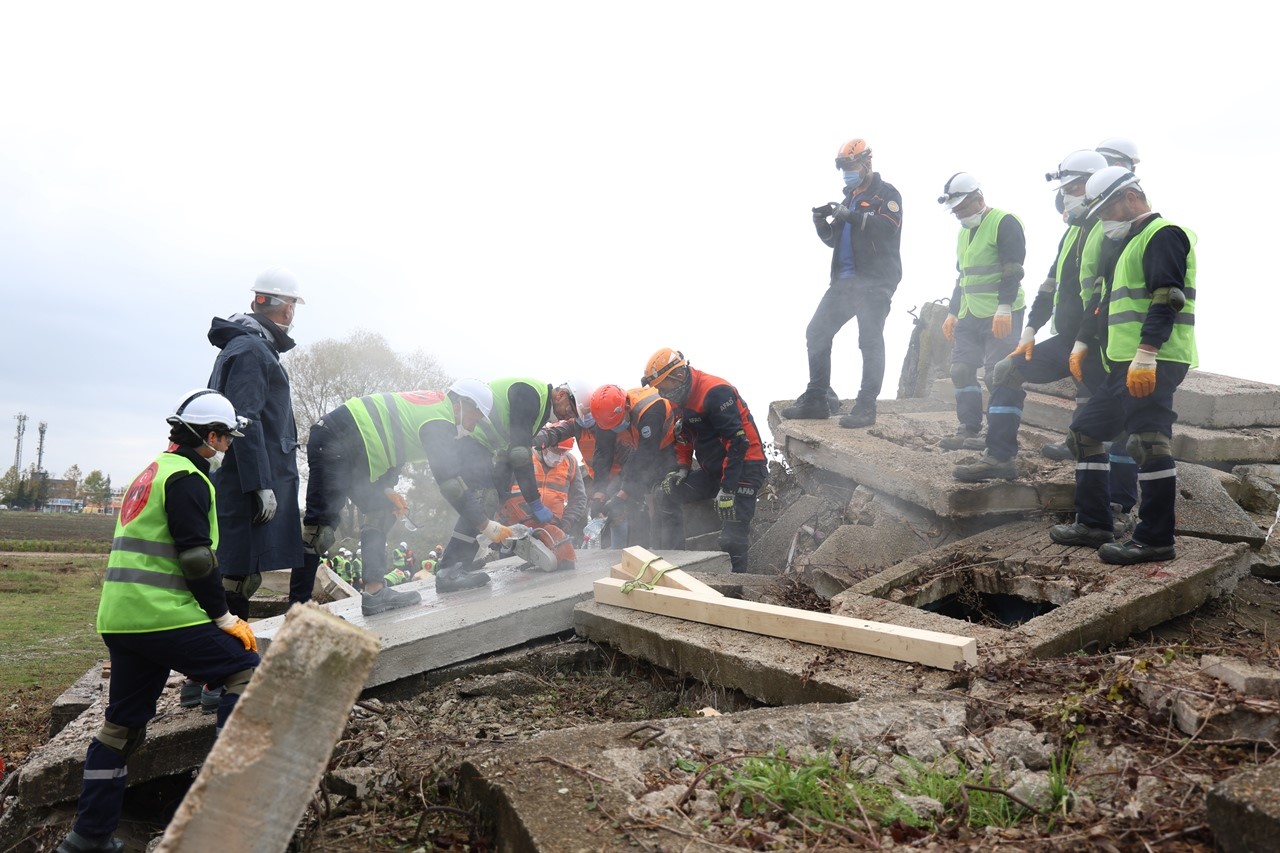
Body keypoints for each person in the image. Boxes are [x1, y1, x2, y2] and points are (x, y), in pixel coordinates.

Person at [57, 390, 260, 853]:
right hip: (159, 615)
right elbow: (195, 559)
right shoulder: (189, 478)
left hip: (121, 619)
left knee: (121, 728)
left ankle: (87, 838)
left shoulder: (148, 473)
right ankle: (226, 820)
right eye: (225, 440)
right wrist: (224, 617)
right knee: (244, 670)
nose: (226, 449)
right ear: (211, 436)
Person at [1048, 166, 1197, 564]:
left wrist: (1147, 352)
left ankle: (1155, 538)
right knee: (1084, 433)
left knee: (1147, 442)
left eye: (1105, 211)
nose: (1102, 221)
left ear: (1131, 198)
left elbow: (1167, 297)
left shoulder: (1163, 235)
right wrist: (1082, 342)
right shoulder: (1124, 242)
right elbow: (1100, 301)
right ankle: (1094, 523)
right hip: (1121, 362)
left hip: (1154, 359)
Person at [953, 150, 1109, 482]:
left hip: (1101, 342)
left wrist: (1085, 339)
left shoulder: (1108, 232)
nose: (1066, 196)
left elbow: (1103, 294)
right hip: (1069, 338)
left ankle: (1113, 505)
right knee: (1006, 370)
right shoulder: (1072, 234)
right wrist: (1031, 330)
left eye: (1074, 187)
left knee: (1101, 425)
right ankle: (999, 457)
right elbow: (1049, 286)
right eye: (1066, 189)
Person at [302, 380, 515, 609]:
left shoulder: (433, 407)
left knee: (381, 510)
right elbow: (450, 484)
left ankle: (375, 595)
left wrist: (387, 489)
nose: (475, 426)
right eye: (476, 417)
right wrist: (486, 525)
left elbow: (394, 443)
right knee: (318, 532)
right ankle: (298, 610)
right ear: (462, 404)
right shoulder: (439, 419)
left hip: (350, 443)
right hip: (337, 439)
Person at [781, 138, 903, 428]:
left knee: (870, 340)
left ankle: (866, 407)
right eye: (844, 167)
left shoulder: (886, 193)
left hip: (875, 283)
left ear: (866, 163)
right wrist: (821, 224)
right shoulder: (849, 197)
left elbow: (888, 227)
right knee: (817, 332)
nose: (847, 172)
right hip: (845, 283)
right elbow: (836, 241)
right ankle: (816, 399)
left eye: (851, 165)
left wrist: (854, 216)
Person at [206, 266, 306, 619]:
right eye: (293, 304)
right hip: (246, 485)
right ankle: (223, 668)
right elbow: (243, 421)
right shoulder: (252, 351)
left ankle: (224, 666)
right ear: (288, 308)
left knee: (239, 575)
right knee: (236, 579)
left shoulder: (249, 346)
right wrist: (261, 485)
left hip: (240, 480)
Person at [642, 349, 767, 572]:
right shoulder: (679, 398)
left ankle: (736, 588)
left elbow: (738, 443)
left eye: (662, 386)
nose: (660, 392)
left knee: (732, 537)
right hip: (714, 471)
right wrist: (682, 468)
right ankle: (676, 564)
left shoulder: (715, 391)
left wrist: (728, 489)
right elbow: (684, 436)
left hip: (745, 468)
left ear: (677, 376)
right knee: (666, 494)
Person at [936, 173, 1027, 450]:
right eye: (955, 210)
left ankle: (999, 438)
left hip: (1001, 313)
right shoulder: (964, 232)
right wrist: (953, 312)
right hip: (969, 312)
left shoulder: (1004, 222)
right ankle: (968, 429)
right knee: (961, 369)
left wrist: (1004, 307)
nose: (959, 215)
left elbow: (1013, 269)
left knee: (997, 375)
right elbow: (963, 276)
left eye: (962, 208)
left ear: (979, 199)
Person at [588, 384, 680, 548]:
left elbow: (647, 453)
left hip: (669, 446)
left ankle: (674, 554)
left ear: (626, 407)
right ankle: (645, 550)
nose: (615, 429)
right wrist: (599, 492)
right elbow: (603, 453)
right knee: (625, 492)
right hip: (641, 450)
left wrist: (623, 494)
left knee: (664, 496)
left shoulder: (650, 409)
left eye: (617, 424)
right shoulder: (606, 417)